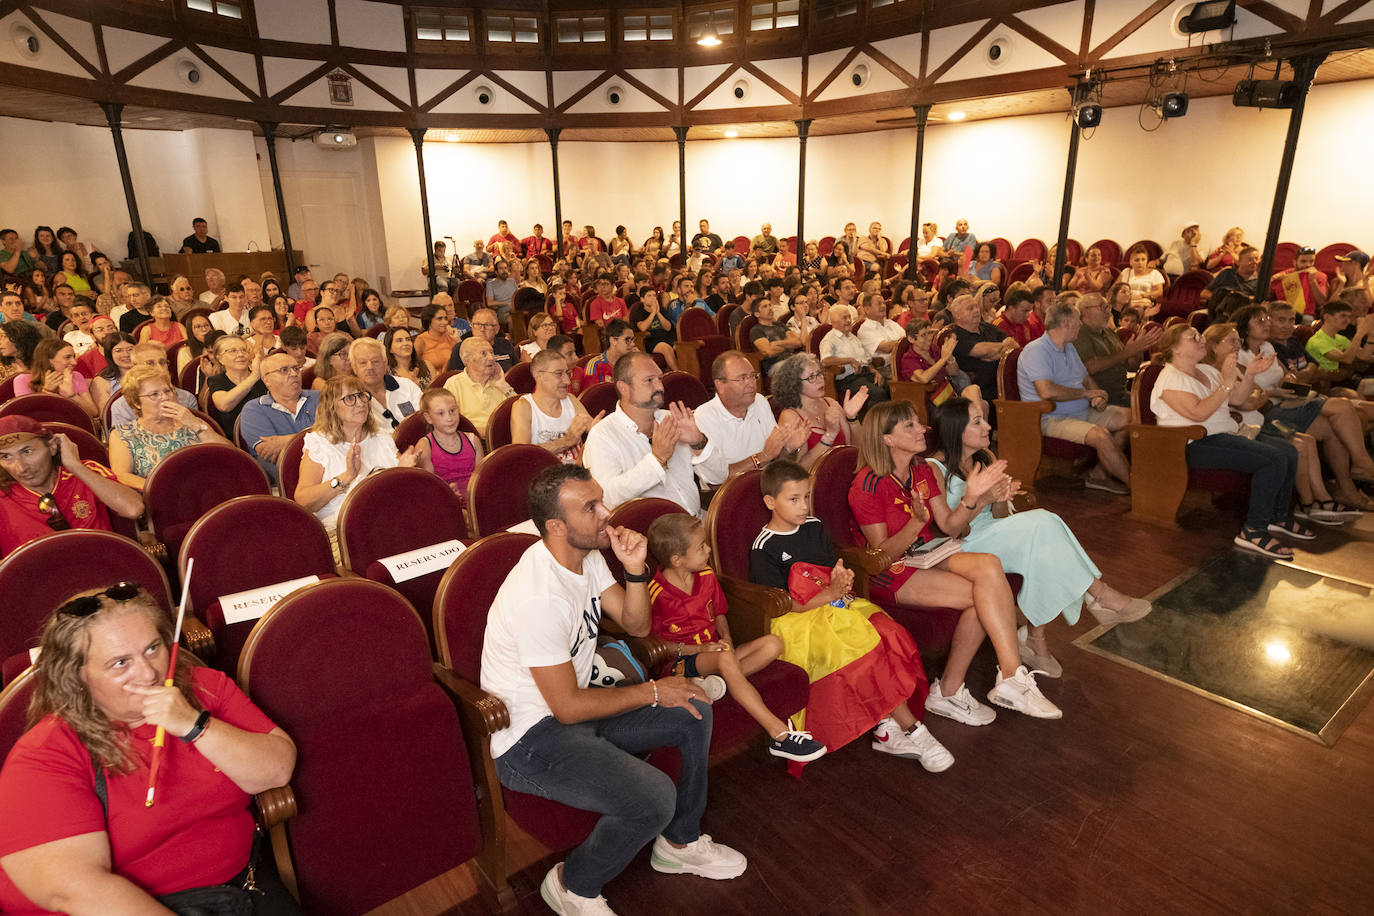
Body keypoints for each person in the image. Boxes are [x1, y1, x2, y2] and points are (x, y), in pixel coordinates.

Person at [481, 464, 746, 914]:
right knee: (654, 797)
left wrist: (636, 570)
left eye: (601, 499)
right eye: (591, 507)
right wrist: (654, 691)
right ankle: (572, 886)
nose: (607, 513)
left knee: (694, 705)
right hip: (530, 740)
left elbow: (637, 624)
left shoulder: (585, 557)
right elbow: (566, 707)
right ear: (556, 526)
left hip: (577, 709)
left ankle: (680, 843)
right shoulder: (538, 597)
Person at [0, 583, 300, 914]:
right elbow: (78, 890)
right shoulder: (46, 754)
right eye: (120, 663)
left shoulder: (205, 688)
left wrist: (194, 725)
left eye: (153, 648)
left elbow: (276, 770)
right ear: (77, 677)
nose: (148, 673)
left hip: (243, 885)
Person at [849, 400, 1063, 720]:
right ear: (887, 439)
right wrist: (914, 524)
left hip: (926, 553)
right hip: (889, 570)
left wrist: (973, 498)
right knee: (983, 596)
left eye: (918, 422)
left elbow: (950, 526)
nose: (922, 429)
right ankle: (955, 689)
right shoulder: (866, 485)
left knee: (989, 565)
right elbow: (881, 556)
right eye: (910, 425)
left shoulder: (921, 470)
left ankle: (1009, 677)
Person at [749, 460, 953, 768]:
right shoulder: (763, 546)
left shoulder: (813, 526)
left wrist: (842, 580)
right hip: (798, 621)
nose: (803, 506)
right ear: (770, 502)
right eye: (794, 499)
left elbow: (832, 566)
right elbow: (781, 604)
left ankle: (885, 725)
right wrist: (830, 594)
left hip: (835, 604)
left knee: (889, 633)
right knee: (861, 649)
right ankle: (914, 729)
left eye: (806, 497)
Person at [930, 396, 1152, 675]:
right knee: (1044, 523)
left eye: (984, 420)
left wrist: (1001, 498)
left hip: (992, 533)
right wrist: (983, 499)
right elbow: (949, 529)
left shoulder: (985, 458)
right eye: (977, 422)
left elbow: (1000, 517)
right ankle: (1097, 595)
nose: (987, 426)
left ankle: (1039, 637)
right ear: (956, 430)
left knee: (1044, 541)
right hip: (960, 545)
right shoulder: (933, 468)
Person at [646, 511, 826, 763]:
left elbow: (719, 613)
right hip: (680, 664)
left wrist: (727, 639)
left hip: (716, 655)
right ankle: (780, 734)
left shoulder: (706, 576)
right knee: (724, 659)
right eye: (701, 547)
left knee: (773, 644)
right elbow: (656, 647)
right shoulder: (656, 593)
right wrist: (700, 651)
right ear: (677, 559)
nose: (708, 550)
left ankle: (717, 683)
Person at [1151, 324, 1306, 559]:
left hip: (1222, 435)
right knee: (1272, 459)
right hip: (1192, 444)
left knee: (1288, 450)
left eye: (1200, 335)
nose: (1201, 339)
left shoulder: (1206, 370)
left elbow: (1237, 399)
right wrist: (1226, 382)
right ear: (1175, 348)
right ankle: (1253, 531)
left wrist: (1250, 374)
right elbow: (1199, 413)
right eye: (1193, 337)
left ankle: (1279, 518)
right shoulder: (1170, 378)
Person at [584, 352, 727, 518]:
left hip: (696, 522)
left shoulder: (673, 420)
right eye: (649, 380)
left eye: (659, 378)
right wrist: (657, 460)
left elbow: (719, 478)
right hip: (649, 531)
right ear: (623, 387)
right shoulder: (603, 435)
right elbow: (607, 497)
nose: (660, 387)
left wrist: (698, 442)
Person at [1017, 301, 1133, 494]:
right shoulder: (1036, 350)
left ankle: (1099, 474)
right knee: (1101, 436)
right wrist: (1086, 394)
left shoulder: (1069, 347)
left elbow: (1085, 378)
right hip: (1051, 418)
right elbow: (1047, 391)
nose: (1080, 324)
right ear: (1066, 323)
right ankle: (1137, 488)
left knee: (1130, 418)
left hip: (1081, 412)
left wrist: (1097, 395)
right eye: (1078, 320)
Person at [295, 375, 417, 556]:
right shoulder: (320, 443)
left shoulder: (382, 438)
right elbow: (304, 501)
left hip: (390, 524)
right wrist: (347, 476)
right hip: (343, 533)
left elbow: (400, 490)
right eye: (350, 398)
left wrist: (404, 472)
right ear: (332, 407)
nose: (360, 403)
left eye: (362, 395)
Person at [0, 416, 143, 555]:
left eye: (27, 451)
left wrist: (75, 466)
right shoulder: (3, 496)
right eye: (6, 457)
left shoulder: (88, 471)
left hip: (103, 563)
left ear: (52, 447)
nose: (21, 468)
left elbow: (133, 509)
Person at [108, 366, 227, 488]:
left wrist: (194, 423)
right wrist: (164, 490)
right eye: (154, 394)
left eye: (167, 391)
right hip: (161, 496)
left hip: (209, 488)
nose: (165, 397)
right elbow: (122, 475)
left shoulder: (192, 422)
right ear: (136, 403)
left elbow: (228, 454)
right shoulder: (123, 434)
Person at [238, 352, 319, 482]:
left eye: (296, 368)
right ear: (266, 380)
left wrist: (288, 440)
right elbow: (271, 454)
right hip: (290, 480)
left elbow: (343, 434)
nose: (294, 374)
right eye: (284, 370)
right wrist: (321, 435)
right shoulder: (254, 409)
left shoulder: (321, 398)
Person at [1072, 292, 1162, 408]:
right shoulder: (1079, 333)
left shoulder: (1108, 332)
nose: (1108, 312)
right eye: (1103, 307)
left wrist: (1138, 350)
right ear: (1084, 311)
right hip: (1099, 400)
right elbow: (1089, 367)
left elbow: (1131, 367)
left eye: (1108, 307)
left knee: (1160, 403)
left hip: (1121, 394)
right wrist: (1127, 352)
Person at [513, 349, 599, 464]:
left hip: (579, 472)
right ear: (539, 375)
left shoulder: (571, 400)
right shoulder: (524, 407)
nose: (567, 381)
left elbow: (595, 430)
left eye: (567, 373)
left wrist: (600, 430)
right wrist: (567, 441)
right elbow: (521, 455)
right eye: (559, 374)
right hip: (544, 474)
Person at [411, 387, 484, 502]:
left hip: (476, 500)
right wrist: (447, 494)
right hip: (445, 502)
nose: (449, 418)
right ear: (428, 418)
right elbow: (429, 487)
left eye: (452, 410)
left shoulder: (473, 440)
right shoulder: (425, 446)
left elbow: (482, 478)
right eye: (441, 413)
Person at [443, 336, 516, 438]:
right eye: (483, 353)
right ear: (467, 360)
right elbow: (448, 422)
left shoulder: (498, 380)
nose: (491, 358)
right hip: (470, 440)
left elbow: (522, 412)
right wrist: (489, 432)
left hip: (503, 438)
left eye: (492, 352)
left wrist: (504, 386)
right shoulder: (454, 384)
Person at [819, 303, 889, 407]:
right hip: (848, 380)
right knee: (878, 393)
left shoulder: (853, 337)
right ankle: (875, 417)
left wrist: (874, 371)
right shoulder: (829, 339)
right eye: (844, 318)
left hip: (865, 374)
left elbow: (866, 360)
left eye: (849, 317)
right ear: (834, 322)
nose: (848, 321)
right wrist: (849, 360)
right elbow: (825, 360)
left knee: (889, 387)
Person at [349, 336, 421, 432]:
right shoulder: (350, 400)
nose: (370, 367)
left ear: (385, 363)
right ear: (354, 367)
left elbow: (424, 417)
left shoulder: (407, 386)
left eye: (375, 361)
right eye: (363, 363)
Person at [14, 338, 99, 419]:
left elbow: (94, 412)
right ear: (49, 360)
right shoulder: (22, 380)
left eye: (74, 357)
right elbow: (29, 416)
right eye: (67, 357)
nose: (74, 362)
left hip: (75, 425)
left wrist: (71, 395)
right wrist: (47, 392)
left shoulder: (76, 376)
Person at [207, 335, 268, 439]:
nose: (240, 354)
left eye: (244, 350)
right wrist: (254, 377)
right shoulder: (217, 381)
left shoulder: (264, 376)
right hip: (241, 439)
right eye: (233, 351)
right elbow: (224, 405)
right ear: (220, 358)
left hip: (270, 430)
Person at [1306, 299, 1374, 374]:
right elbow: (1346, 359)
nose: (1347, 320)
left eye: (1349, 317)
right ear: (1327, 317)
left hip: (1336, 378)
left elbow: (1364, 356)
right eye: (1343, 316)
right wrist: (1360, 333)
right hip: (1321, 380)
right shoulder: (1318, 340)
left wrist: (1372, 336)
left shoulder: (1340, 338)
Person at [447, 307, 517, 373]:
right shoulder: (460, 349)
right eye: (477, 324)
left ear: (497, 329)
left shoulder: (505, 344)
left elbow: (516, 370)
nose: (482, 329)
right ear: (472, 327)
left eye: (487, 325)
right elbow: (455, 376)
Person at [629, 289, 678, 371]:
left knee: (679, 348)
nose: (653, 298)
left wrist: (658, 313)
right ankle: (677, 372)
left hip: (665, 337)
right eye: (649, 296)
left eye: (654, 295)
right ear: (642, 299)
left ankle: (683, 371)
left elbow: (668, 327)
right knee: (665, 347)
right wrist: (653, 313)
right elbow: (642, 328)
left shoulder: (661, 309)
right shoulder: (639, 310)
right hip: (650, 340)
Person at [414, 303, 459, 378]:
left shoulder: (451, 336)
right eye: (439, 319)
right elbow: (414, 365)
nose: (445, 322)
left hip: (452, 379)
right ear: (429, 321)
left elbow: (463, 359)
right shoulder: (421, 340)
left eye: (445, 318)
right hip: (432, 382)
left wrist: (457, 339)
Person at [385, 325, 431, 389]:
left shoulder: (427, 366)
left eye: (408, 339)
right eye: (399, 340)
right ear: (390, 349)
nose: (406, 343)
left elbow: (435, 393)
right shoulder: (386, 373)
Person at [0, 320, 43, 384]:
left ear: (18, 337)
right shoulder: (2, 368)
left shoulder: (43, 362)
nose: (0, 342)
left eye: (3, 336)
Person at [485, 259, 518, 327]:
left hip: (516, 309)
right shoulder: (491, 284)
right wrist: (506, 303)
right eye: (501, 269)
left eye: (505, 268)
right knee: (512, 319)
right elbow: (489, 303)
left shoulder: (512, 281)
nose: (504, 271)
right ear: (496, 272)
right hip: (503, 312)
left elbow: (518, 296)